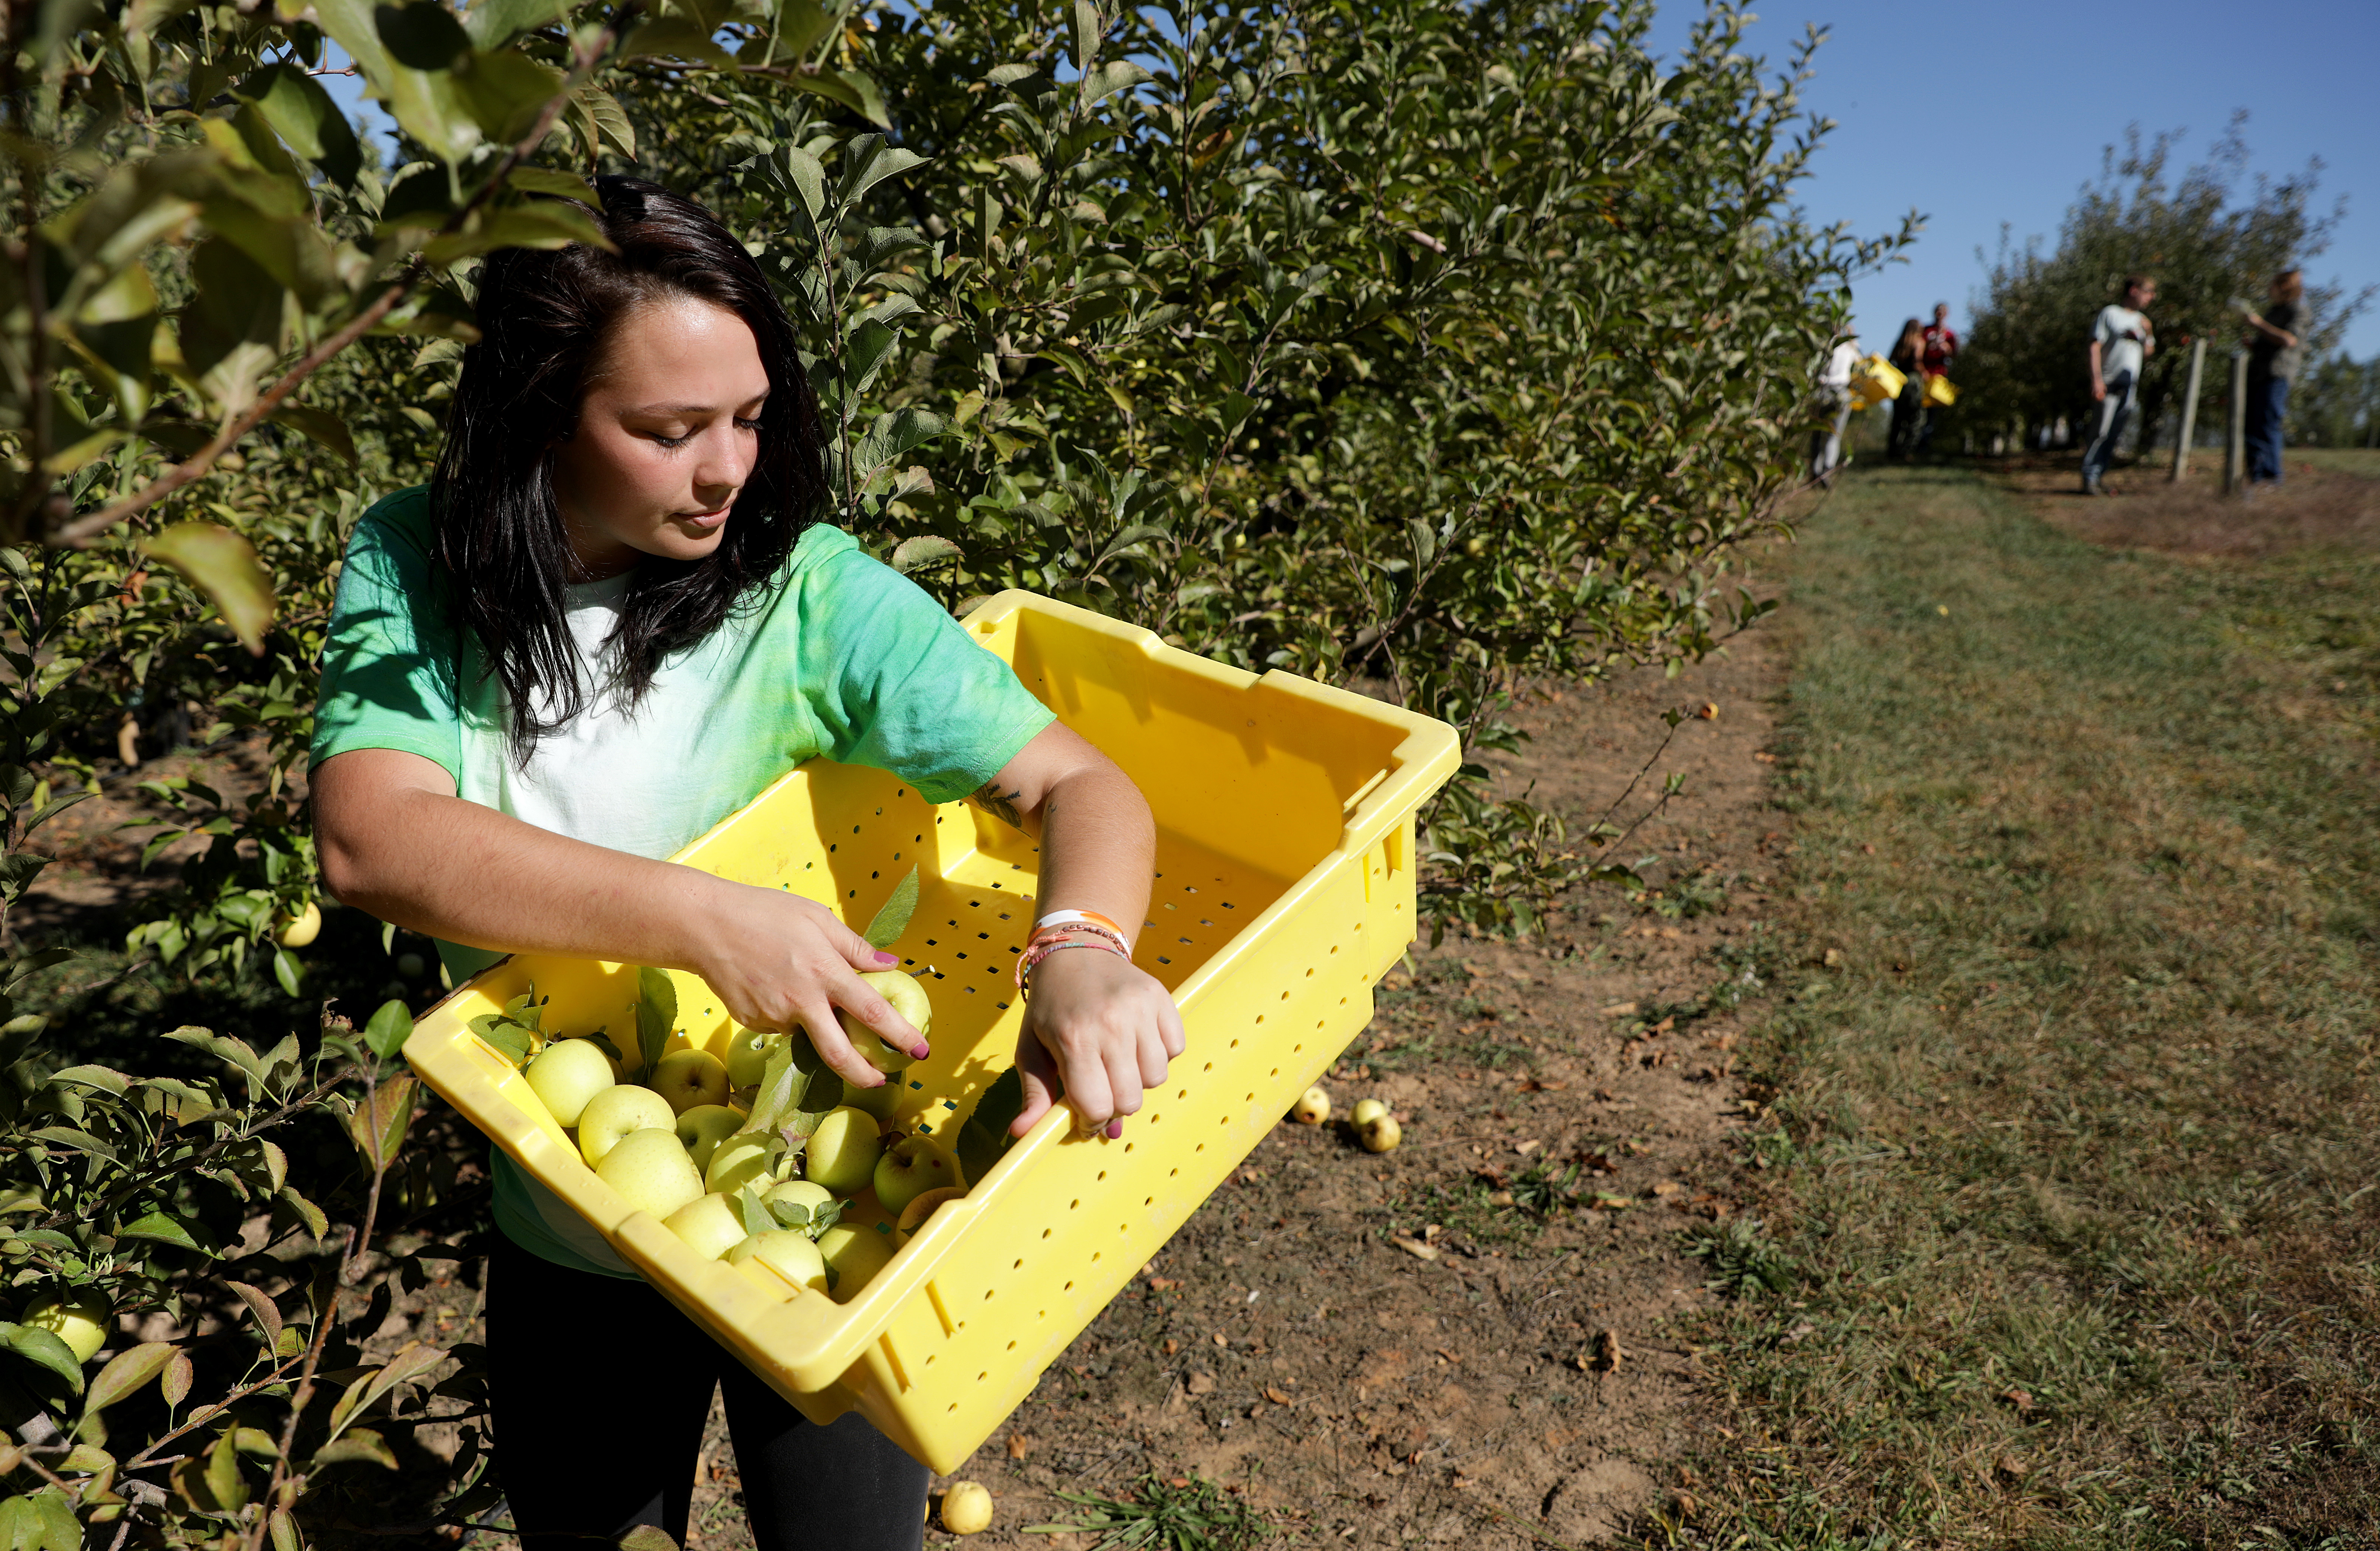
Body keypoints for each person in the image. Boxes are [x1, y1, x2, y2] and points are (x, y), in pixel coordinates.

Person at [308, 177, 1187, 1551]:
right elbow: (370, 837)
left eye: (749, 417)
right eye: (668, 432)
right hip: (573, 1226)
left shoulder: (804, 591)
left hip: (830, 1243)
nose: (726, 469)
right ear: (543, 414)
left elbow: (1082, 785)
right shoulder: (420, 563)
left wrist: (1080, 954)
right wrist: (708, 919)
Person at [2081, 274, 2156, 495]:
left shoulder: (2143, 321)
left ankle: (2099, 476)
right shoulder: (2110, 314)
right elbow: (2095, 346)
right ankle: (2089, 479)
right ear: (2134, 291)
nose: (2152, 297)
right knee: (2101, 432)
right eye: (2149, 291)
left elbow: (2149, 352)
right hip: (2108, 381)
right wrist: (2097, 380)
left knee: (2115, 434)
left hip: (2129, 386)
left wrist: (2148, 333)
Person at [2242, 268, 2307, 487]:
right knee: (2252, 424)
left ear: (2285, 287)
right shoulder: (2274, 311)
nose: (2270, 290)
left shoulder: (2298, 311)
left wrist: (2258, 324)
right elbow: (2268, 340)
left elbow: (2289, 340)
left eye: (2274, 285)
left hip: (2277, 374)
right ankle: (2256, 474)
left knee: (2268, 422)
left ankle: (2271, 476)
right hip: (2259, 373)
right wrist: (2253, 343)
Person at [1811, 331, 1860, 483]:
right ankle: (1827, 470)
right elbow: (1860, 368)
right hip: (1842, 394)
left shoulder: (1828, 348)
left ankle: (1815, 472)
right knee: (1834, 435)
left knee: (1817, 434)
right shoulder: (1852, 349)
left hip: (1823, 391)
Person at [1918, 302, 1958, 451]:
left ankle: (1924, 446)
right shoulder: (1926, 330)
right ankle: (1914, 443)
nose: (1940, 315)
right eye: (1938, 312)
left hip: (1939, 377)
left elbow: (1955, 355)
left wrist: (1947, 349)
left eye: (1943, 312)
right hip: (1924, 374)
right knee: (1919, 409)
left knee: (1932, 413)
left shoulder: (1950, 334)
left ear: (1947, 314)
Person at [1886, 317, 1926, 461]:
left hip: (1899, 383)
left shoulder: (1899, 342)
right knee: (1916, 418)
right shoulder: (1918, 342)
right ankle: (1906, 451)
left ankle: (1892, 451)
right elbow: (1917, 361)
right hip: (1913, 383)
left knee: (1898, 419)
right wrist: (1924, 373)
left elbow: (1890, 361)